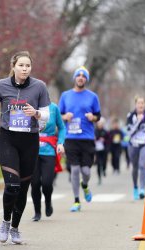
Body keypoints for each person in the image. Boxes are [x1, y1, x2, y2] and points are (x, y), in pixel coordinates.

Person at [0, 51, 50, 244]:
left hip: (29, 141)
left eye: (27, 66)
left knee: (22, 189)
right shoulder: (1, 85)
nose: (24, 69)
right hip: (8, 139)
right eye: (21, 65)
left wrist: (36, 113)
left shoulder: (40, 86)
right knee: (12, 185)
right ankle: (5, 221)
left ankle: (15, 228)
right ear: (13, 66)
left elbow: (47, 115)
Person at [59, 66, 101, 212]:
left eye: (84, 76)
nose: (81, 78)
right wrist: (65, 117)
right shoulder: (65, 95)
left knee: (86, 172)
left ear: (86, 80)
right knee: (75, 170)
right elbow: (60, 116)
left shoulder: (92, 97)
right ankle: (77, 200)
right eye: (78, 76)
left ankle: (85, 186)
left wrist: (92, 117)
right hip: (71, 138)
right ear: (75, 78)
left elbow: (98, 116)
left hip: (87, 138)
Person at [31, 102, 65, 221]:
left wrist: (60, 143)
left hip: (49, 151)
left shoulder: (54, 108)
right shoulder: (30, 105)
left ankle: (48, 201)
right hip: (32, 151)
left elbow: (61, 127)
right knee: (34, 184)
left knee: (46, 183)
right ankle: (37, 211)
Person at [126, 96, 145, 200]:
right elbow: (129, 131)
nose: (141, 105)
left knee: (142, 164)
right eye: (139, 103)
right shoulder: (130, 116)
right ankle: (135, 187)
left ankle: (142, 189)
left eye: (142, 103)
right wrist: (138, 122)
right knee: (135, 167)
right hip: (133, 144)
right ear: (135, 105)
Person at [94, 117, 109, 185]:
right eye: (98, 123)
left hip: (104, 150)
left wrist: (104, 140)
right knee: (98, 164)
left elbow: (109, 140)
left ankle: (104, 169)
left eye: (101, 123)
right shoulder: (94, 131)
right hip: (97, 150)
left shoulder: (105, 131)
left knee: (104, 162)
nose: (100, 125)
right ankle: (99, 178)